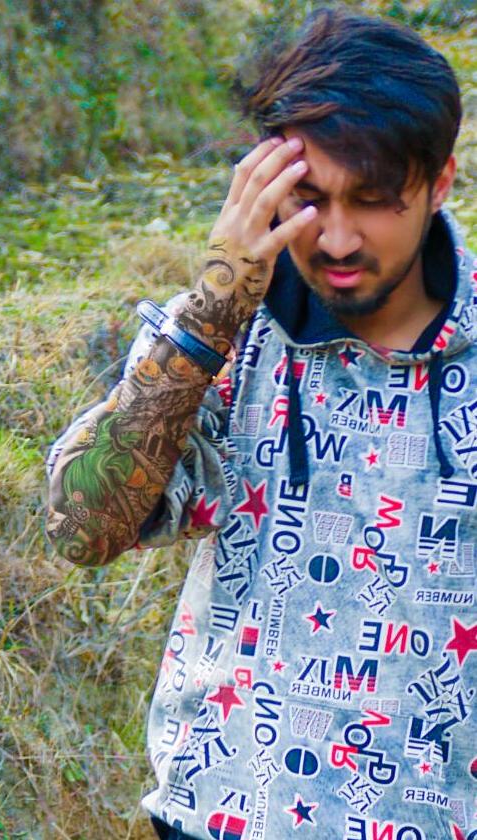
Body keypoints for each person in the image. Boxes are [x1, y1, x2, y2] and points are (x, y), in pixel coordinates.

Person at [46, 8, 476, 840]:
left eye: (374, 201)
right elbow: (80, 529)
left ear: (441, 181)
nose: (338, 239)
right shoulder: (220, 340)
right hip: (219, 821)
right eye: (309, 201)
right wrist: (210, 312)